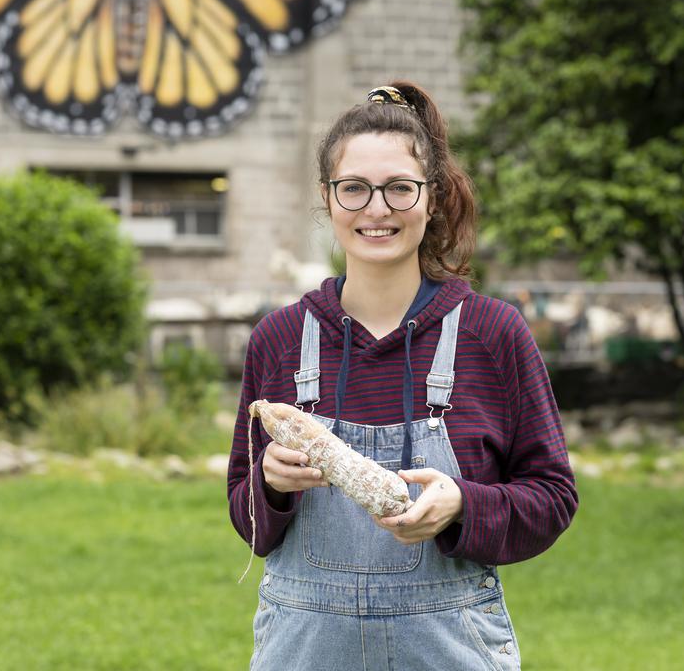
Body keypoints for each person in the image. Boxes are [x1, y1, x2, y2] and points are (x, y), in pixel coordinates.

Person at [226, 82, 578, 669]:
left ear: (432, 197)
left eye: (399, 188)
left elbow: (552, 498)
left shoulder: (492, 334)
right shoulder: (279, 341)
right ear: (327, 197)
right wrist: (269, 485)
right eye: (355, 188)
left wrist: (462, 505)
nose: (376, 209)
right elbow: (249, 521)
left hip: (448, 649)